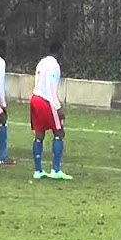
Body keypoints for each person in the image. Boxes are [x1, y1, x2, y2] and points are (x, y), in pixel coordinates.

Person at [30, 40, 71, 180]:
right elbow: (51, 88)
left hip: (35, 98)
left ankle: (38, 171)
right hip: (45, 101)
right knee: (59, 132)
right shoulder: (54, 66)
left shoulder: (42, 62)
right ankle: (56, 170)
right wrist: (58, 108)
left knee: (39, 134)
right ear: (59, 51)